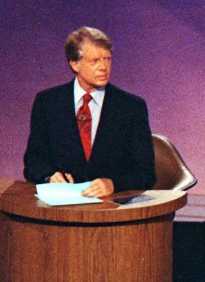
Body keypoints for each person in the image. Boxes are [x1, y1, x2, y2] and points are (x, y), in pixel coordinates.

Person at [23, 27, 155, 198]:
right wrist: (49, 176)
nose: (104, 67)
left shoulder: (131, 107)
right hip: (62, 209)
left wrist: (113, 183)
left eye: (107, 59)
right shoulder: (47, 102)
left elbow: (146, 173)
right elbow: (34, 160)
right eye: (95, 61)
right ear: (74, 64)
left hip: (112, 210)